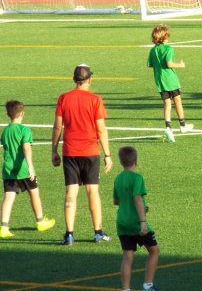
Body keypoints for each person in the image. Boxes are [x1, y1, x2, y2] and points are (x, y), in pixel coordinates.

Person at [51, 63, 112, 245]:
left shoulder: (64, 98)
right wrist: (108, 154)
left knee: (70, 193)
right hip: (90, 152)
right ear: (90, 79)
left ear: (74, 79)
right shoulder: (95, 100)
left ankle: (69, 234)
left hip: (70, 152)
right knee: (92, 191)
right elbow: (101, 129)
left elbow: (57, 126)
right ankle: (98, 233)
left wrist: (53, 151)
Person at [1, 101, 55, 238]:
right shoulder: (24, 130)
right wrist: (30, 166)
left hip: (8, 169)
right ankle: (40, 221)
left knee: (8, 196)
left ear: (8, 115)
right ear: (22, 114)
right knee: (34, 192)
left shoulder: (5, 131)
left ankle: (4, 227)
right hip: (23, 169)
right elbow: (26, 148)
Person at [114, 146, 159, 291]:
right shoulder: (137, 178)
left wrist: (140, 207)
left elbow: (116, 201)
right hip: (136, 223)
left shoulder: (118, 178)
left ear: (121, 162)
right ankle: (148, 285)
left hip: (122, 223)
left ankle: (126, 288)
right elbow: (137, 198)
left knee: (127, 256)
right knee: (154, 250)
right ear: (136, 160)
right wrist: (143, 222)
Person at [147, 24, 194, 143]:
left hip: (160, 81)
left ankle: (168, 128)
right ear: (165, 37)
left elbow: (149, 65)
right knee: (178, 101)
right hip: (171, 80)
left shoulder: (153, 50)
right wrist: (180, 65)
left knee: (167, 104)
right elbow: (169, 64)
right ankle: (182, 125)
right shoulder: (168, 49)